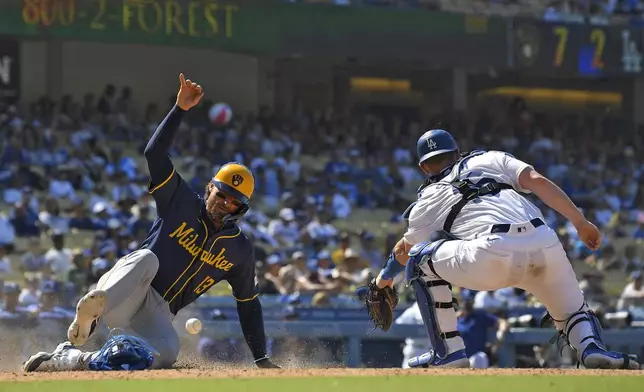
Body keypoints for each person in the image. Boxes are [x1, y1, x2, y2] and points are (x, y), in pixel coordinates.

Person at [23, 73, 280, 372]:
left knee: (166, 354)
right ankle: (91, 314)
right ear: (210, 188)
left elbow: (248, 304)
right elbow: (154, 153)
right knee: (147, 258)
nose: (225, 203)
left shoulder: (239, 250)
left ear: (241, 209)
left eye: (234, 201)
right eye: (222, 193)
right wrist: (179, 109)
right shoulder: (180, 201)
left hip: (157, 313)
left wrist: (261, 358)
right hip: (128, 289)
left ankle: (71, 358)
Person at [374, 129, 639, 369]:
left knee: (420, 260)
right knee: (573, 312)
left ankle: (449, 353)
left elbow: (404, 250)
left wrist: (383, 280)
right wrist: (580, 222)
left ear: (423, 167)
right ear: (457, 152)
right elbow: (536, 180)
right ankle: (590, 347)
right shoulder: (490, 159)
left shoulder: (428, 200)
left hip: (491, 255)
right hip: (544, 243)